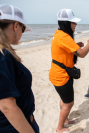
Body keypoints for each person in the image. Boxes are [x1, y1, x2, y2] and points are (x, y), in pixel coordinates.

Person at [49, 9, 89, 133]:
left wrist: (75, 45)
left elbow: (65, 47)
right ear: (66, 23)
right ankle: (60, 127)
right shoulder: (64, 36)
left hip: (58, 72)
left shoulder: (59, 33)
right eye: (73, 22)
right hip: (61, 76)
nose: (76, 24)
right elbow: (82, 54)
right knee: (69, 103)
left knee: (64, 99)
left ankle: (66, 119)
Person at [0, 5, 39, 133]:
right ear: (16, 26)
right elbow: (7, 106)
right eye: (23, 29)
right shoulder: (3, 56)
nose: (22, 33)